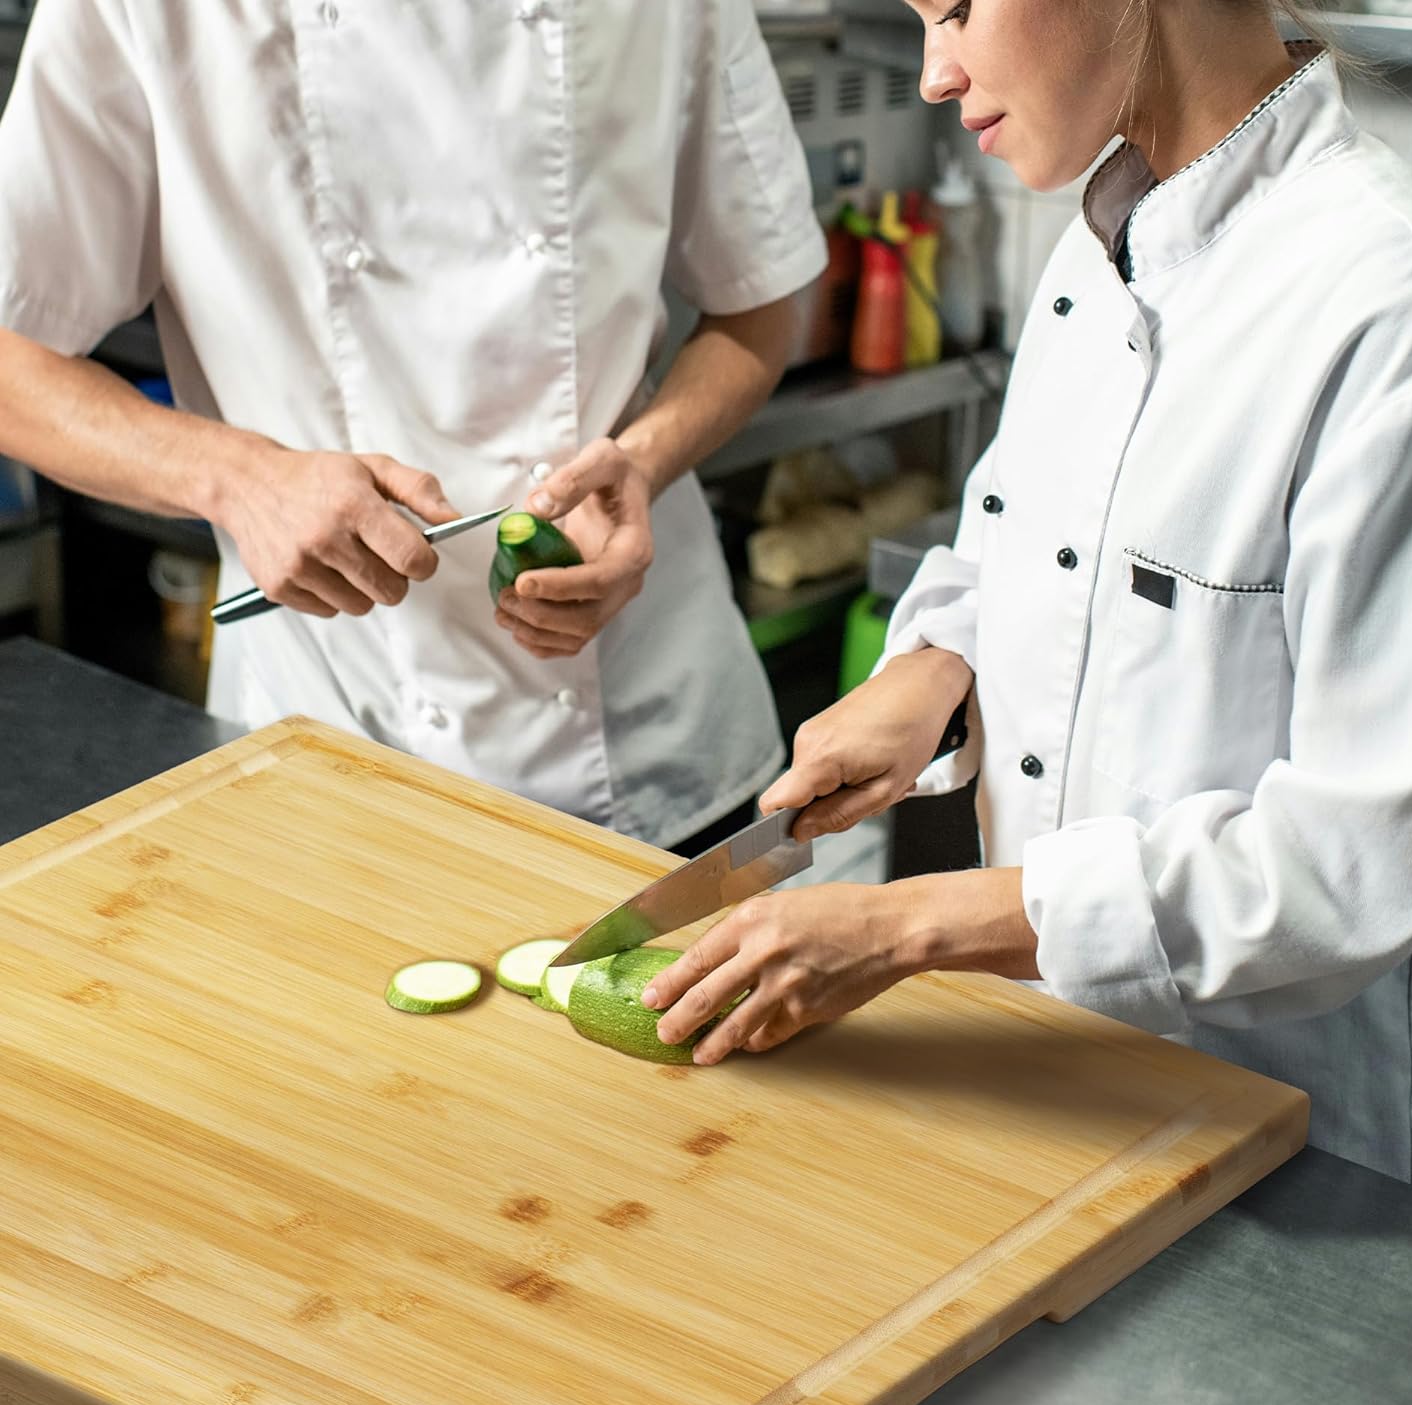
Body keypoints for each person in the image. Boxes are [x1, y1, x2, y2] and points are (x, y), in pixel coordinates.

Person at [642, 0, 1412, 1199]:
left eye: (955, 9)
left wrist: (909, 928)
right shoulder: (1097, 248)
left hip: (1295, 1145)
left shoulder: (1400, 318)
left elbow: (1353, 869)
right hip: (1055, 1076)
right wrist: (933, 672)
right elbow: (1021, 541)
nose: (936, 74)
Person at [0, 0, 827, 854]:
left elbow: (763, 306)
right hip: (329, 747)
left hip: (653, 739)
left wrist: (644, 464)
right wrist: (240, 479)